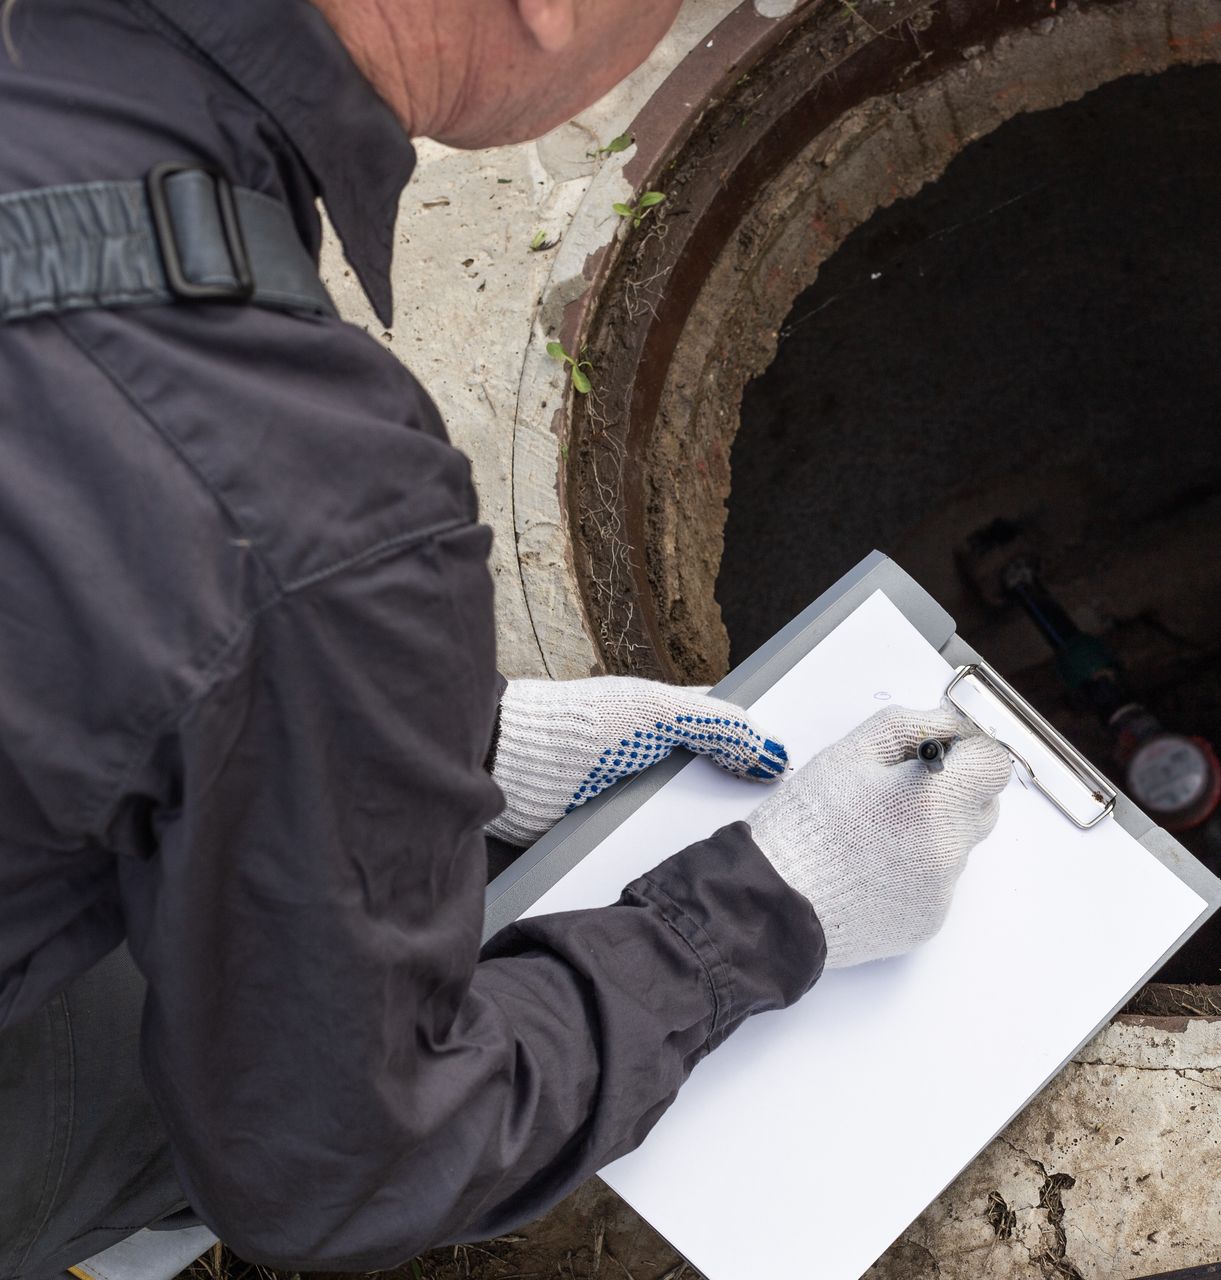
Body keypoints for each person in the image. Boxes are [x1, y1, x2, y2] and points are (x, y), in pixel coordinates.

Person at [0, 0, 1012, 1275]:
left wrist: (445, 728)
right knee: (222, 1060)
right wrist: (762, 910)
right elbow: (339, 1171)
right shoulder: (314, 493)